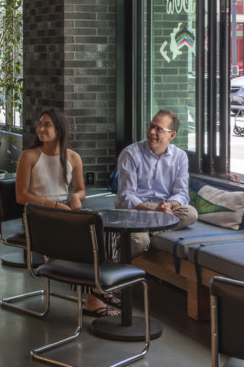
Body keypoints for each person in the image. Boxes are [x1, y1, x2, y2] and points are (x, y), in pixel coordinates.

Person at [17, 109, 109, 314]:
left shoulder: (74, 158)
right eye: (40, 124)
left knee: (98, 232)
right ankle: (94, 295)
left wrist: (76, 197)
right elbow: (21, 196)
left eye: (47, 124)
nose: (41, 128)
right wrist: (54, 206)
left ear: (59, 130)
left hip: (64, 211)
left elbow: (81, 190)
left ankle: (96, 290)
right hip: (38, 215)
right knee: (84, 240)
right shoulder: (29, 156)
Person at [115, 110, 196, 256]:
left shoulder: (180, 157)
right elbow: (126, 196)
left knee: (191, 213)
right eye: (151, 126)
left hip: (162, 208)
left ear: (172, 135)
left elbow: (181, 193)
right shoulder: (131, 153)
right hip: (135, 209)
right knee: (139, 242)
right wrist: (154, 212)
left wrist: (169, 206)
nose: (151, 132)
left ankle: (139, 230)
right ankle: (114, 268)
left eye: (158, 129)